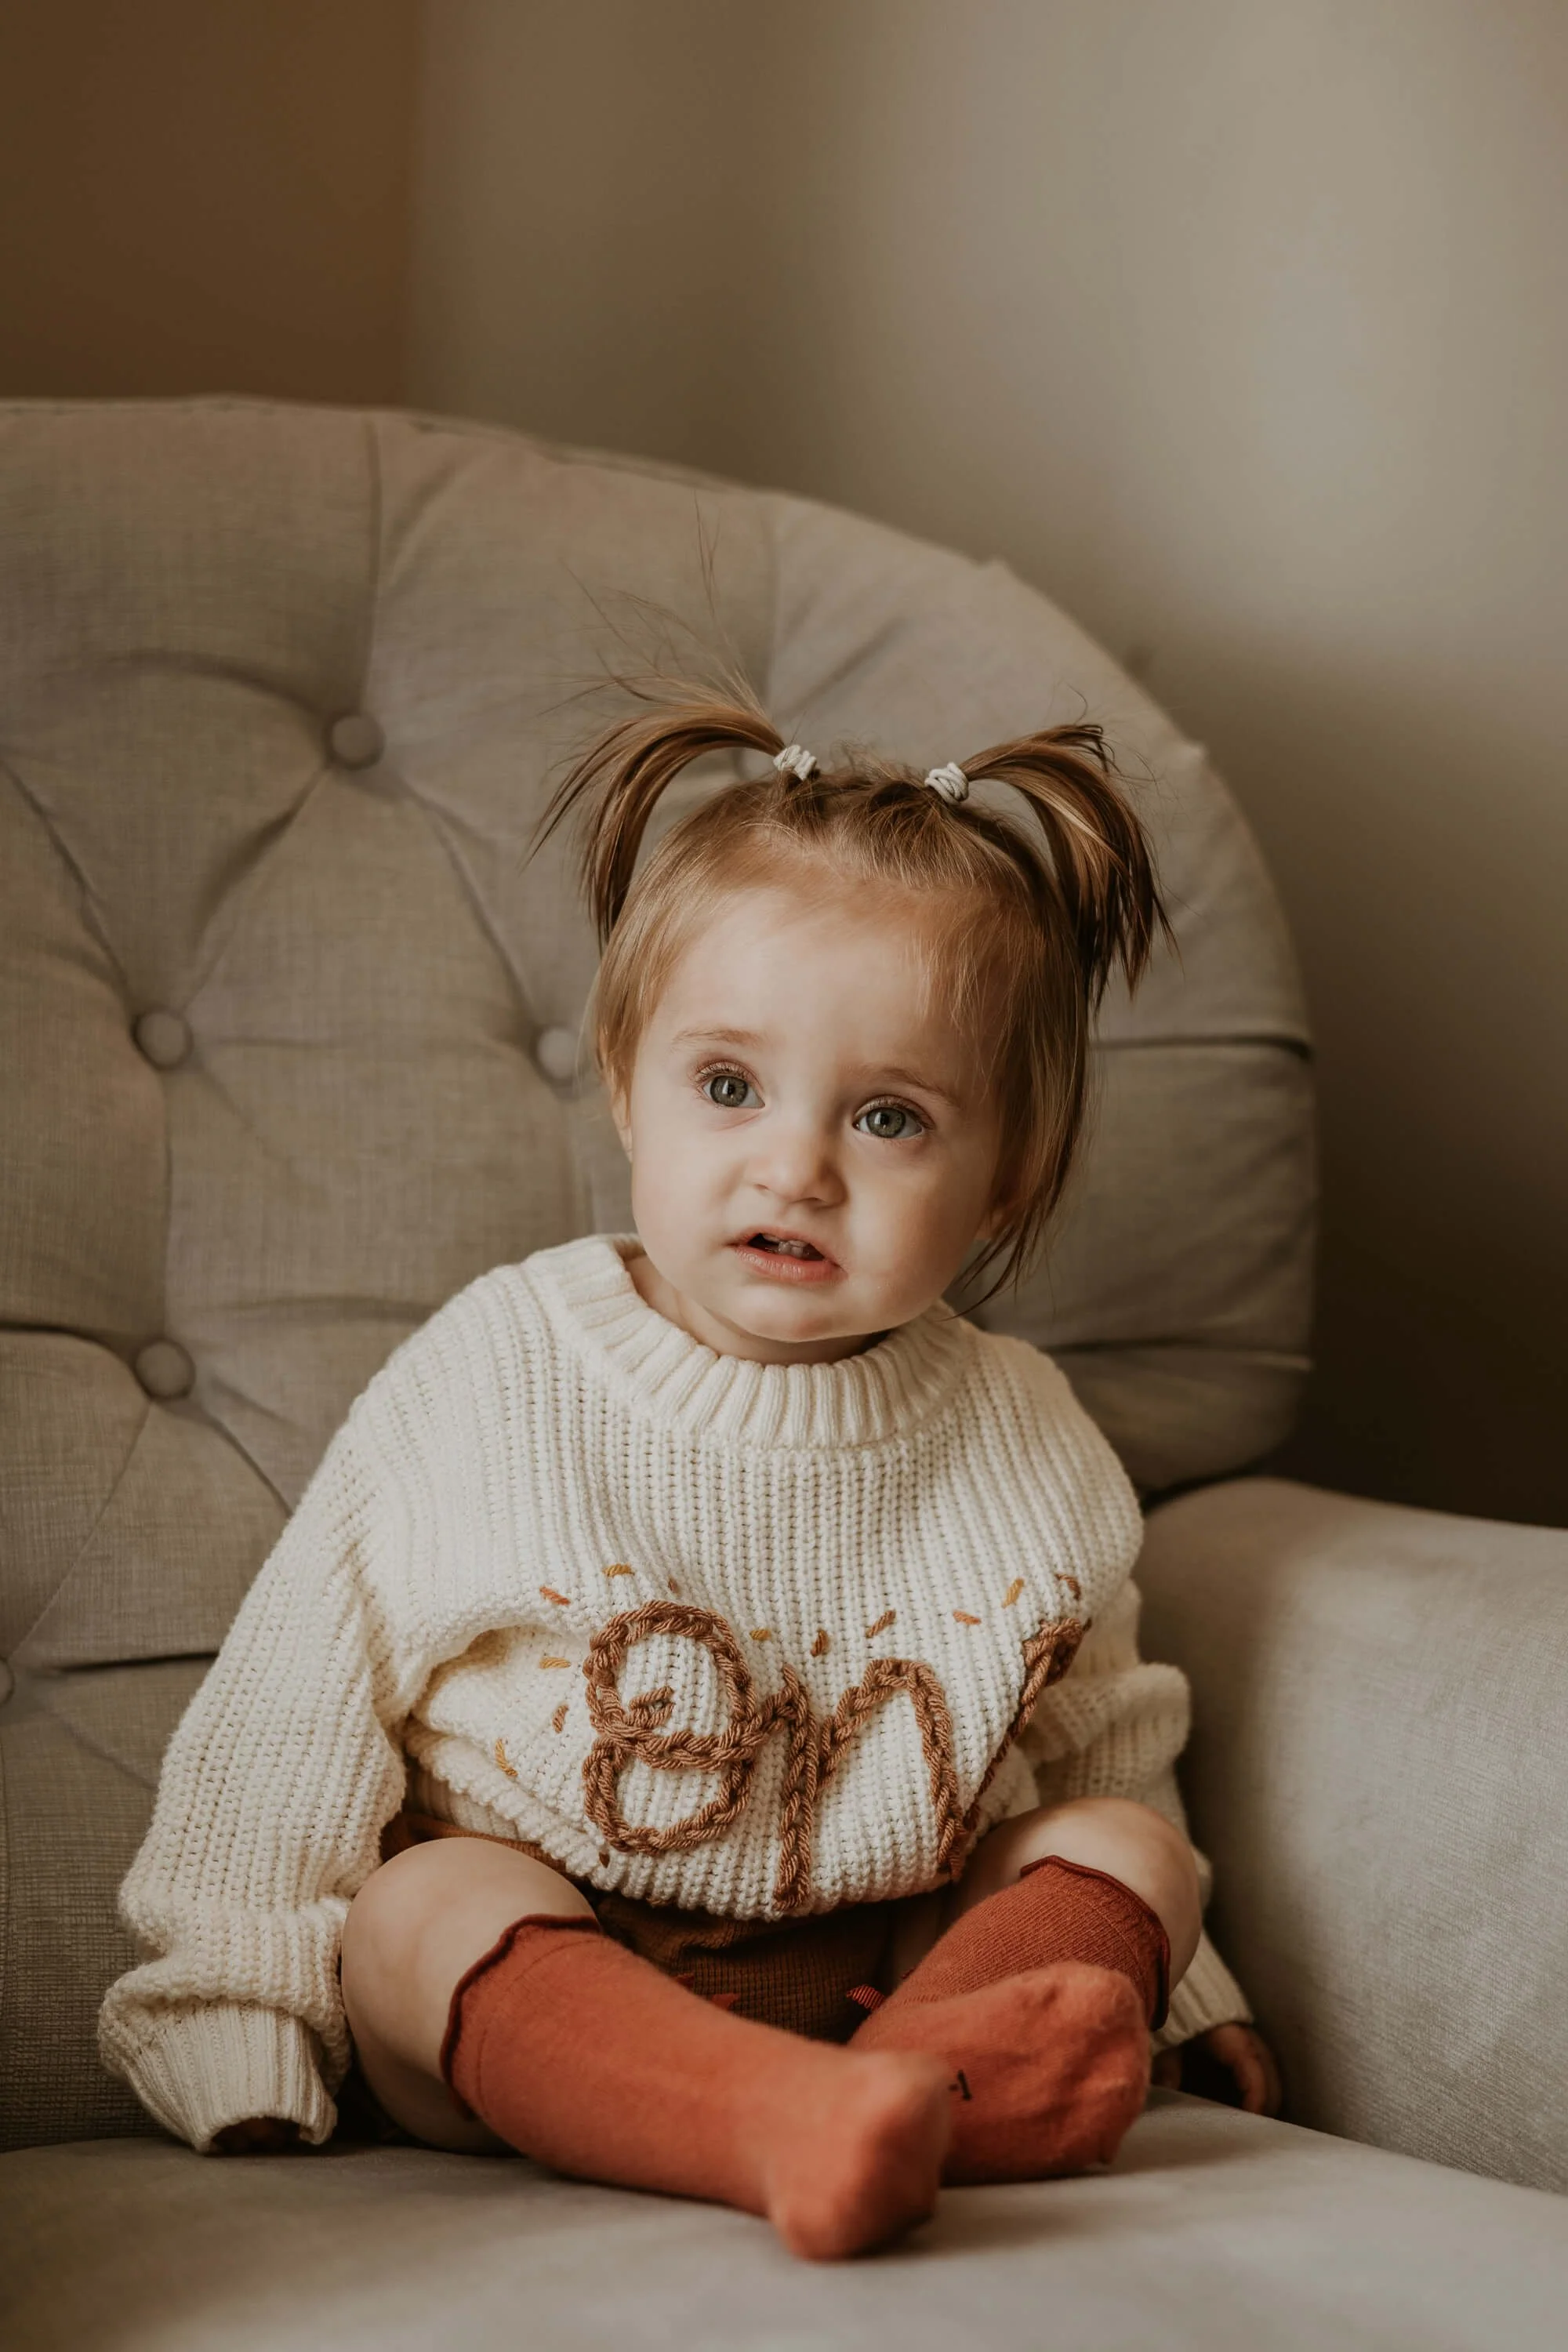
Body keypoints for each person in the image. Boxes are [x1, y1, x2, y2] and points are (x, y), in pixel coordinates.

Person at [100, 688, 1279, 2260]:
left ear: (1008, 1176)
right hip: (540, 1973)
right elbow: (293, 1701)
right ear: (623, 1080)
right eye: (728, 1087)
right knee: (418, 1911)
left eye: (888, 1117)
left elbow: (1104, 1739)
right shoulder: (500, 1367)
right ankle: (779, 2116)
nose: (795, 1166)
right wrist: (234, 2013)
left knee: (1131, 1855)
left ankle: (904, 2093)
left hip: (884, 1969)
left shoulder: (1025, 1435)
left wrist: (1173, 1987)